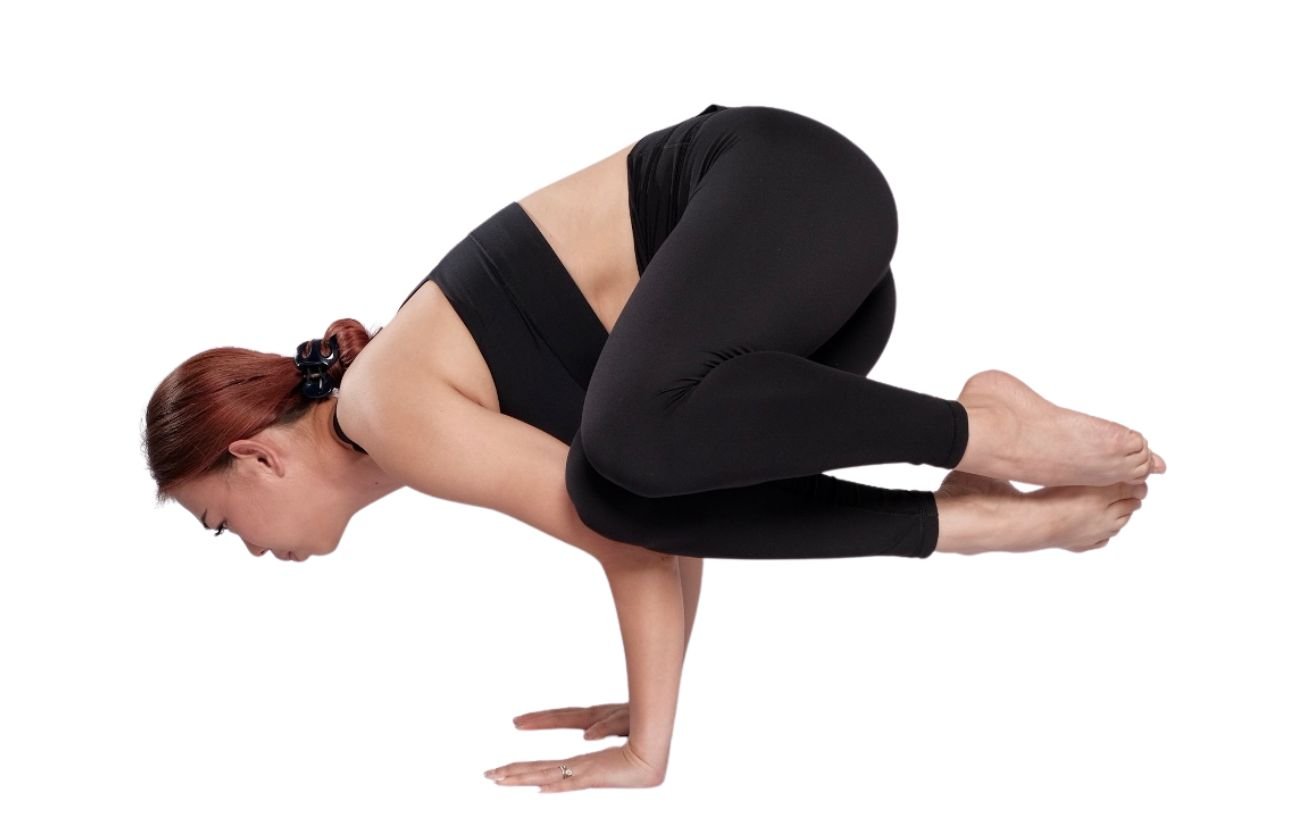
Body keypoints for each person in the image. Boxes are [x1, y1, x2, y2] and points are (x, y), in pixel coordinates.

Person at [143, 103, 1165, 792]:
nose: (250, 550)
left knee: (617, 468)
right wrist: (646, 698)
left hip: (790, 191)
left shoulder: (385, 405)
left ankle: (979, 434)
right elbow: (660, 512)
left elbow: (621, 533)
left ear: (257, 457)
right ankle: (980, 507)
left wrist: (648, 746)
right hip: (809, 295)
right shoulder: (405, 417)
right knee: (636, 471)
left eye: (222, 524)